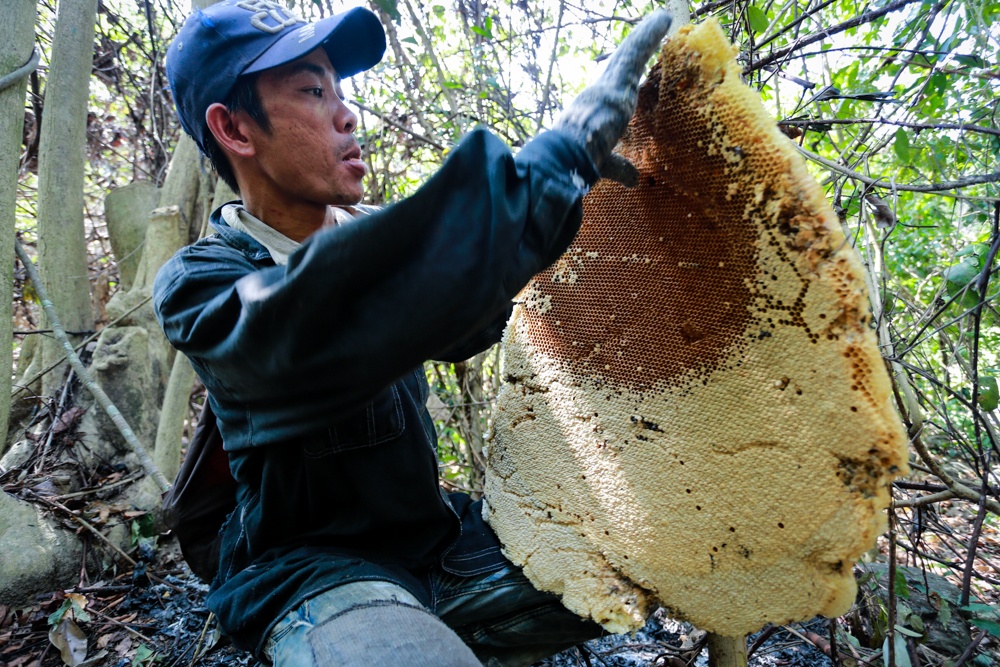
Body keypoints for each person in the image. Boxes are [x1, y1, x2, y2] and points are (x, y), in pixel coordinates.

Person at [156, 1, 671, 665]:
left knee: (664, 550)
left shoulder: (380, 237)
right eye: (313, 91)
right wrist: (540, 173)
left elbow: (459, 318)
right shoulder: (202, 282)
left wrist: (569, 199)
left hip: (442, 548)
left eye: (341, 91)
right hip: (314, 571)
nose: (347, 115)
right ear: (234, 128)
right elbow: (304, 327)